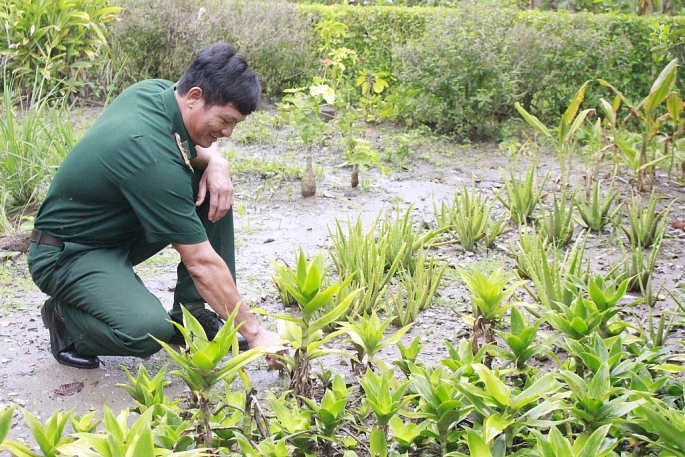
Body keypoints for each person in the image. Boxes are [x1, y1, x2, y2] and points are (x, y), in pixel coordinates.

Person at [28, 42, 283, 369]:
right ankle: (65, 319)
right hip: (67, 253)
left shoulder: (155, 92)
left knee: (213, 186)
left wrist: (218, 163)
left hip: (114, 232)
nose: (229, 133)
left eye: (236, 124)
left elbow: (196, 153)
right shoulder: (150, 156)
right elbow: (200, 263)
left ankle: (195, 312)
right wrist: (257, 334)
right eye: (226, 120)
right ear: (194, 97)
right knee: (148, 333)